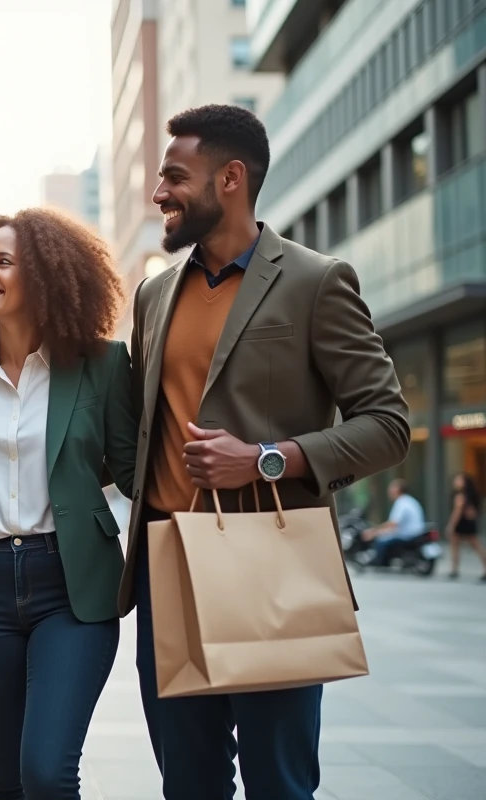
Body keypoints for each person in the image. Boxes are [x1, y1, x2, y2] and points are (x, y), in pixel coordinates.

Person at [121, 105, 410, 799]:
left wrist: (266, 459)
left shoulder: (316, 281)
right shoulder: (155, 296)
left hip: (267, 565)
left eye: (174, 177)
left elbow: (388, 423)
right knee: (188, 783)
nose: (160, 193)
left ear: (230, 178)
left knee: (278, 783)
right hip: (169, 564)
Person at [0, 208, 138, 799]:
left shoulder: (103, 362)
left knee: (47, 769)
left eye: (3, 262)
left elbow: (131, 469)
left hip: (71, 586)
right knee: (5, 780)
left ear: (45, 278)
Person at [361, 479, 427, 566]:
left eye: (391, 487)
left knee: (381, 541)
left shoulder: (401, 502)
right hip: (415, 533)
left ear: (398, 490)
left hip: (407, 535)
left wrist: (374, 531)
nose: (389, 491)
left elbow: (393, 523)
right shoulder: (410, 500)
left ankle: (380, 563)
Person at [445, 473, 485, 580]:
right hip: (467, 522)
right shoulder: (469, 494)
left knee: (461, 546)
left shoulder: (460, 495)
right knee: (474, 546)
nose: (456, 482)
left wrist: (451, 526)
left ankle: (454, 569)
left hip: (462, 523)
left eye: (459, 480)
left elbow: (457, 512)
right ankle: (454, 569)